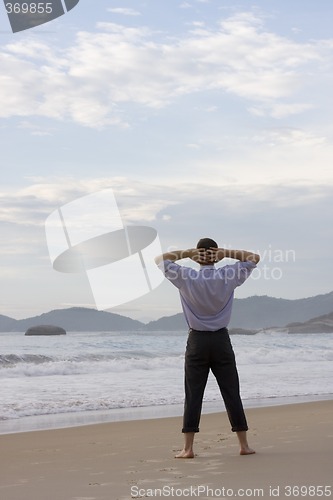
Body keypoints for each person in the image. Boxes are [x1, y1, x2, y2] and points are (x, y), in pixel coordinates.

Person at [155, 238, 260, 458]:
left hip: (197, 341)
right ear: (216, 254)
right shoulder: (227, 275)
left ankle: (188, 448)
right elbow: (254, 258)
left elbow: (159, 259)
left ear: (197, 255)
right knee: (231, 392)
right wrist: (226, 253)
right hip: (221, 340)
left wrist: (187, 253)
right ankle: (244, 445)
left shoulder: (186, 276)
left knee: (193, 394)